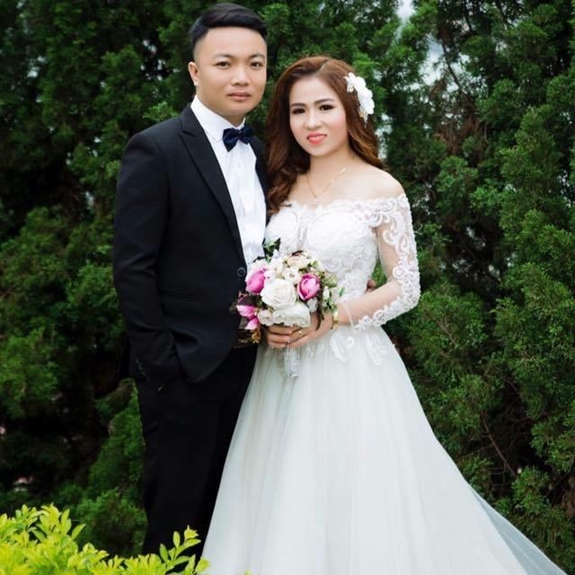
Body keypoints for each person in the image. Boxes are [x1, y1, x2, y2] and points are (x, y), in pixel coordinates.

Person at [202, 56, 567, 574]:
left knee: (359, 500)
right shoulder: (277, 185)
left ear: (351, 110)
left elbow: (405, 286)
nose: (311, 122)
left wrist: (333, 316)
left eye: (325, 107)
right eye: (299, 111)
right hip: (277, 373)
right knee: (281, 498)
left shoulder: (381, 189)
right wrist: (266, 316)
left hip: (350, 370)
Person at [112, 3, 268, 557]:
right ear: (195, 71)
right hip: (184, 373)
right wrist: (165, 367)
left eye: (255, 64)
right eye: (225, 63)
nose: (242, 76)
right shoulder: (155, 148)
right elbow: (132, 267)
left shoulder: (264, 152)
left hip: (257, 370)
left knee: (235, 526)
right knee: (175, 529)